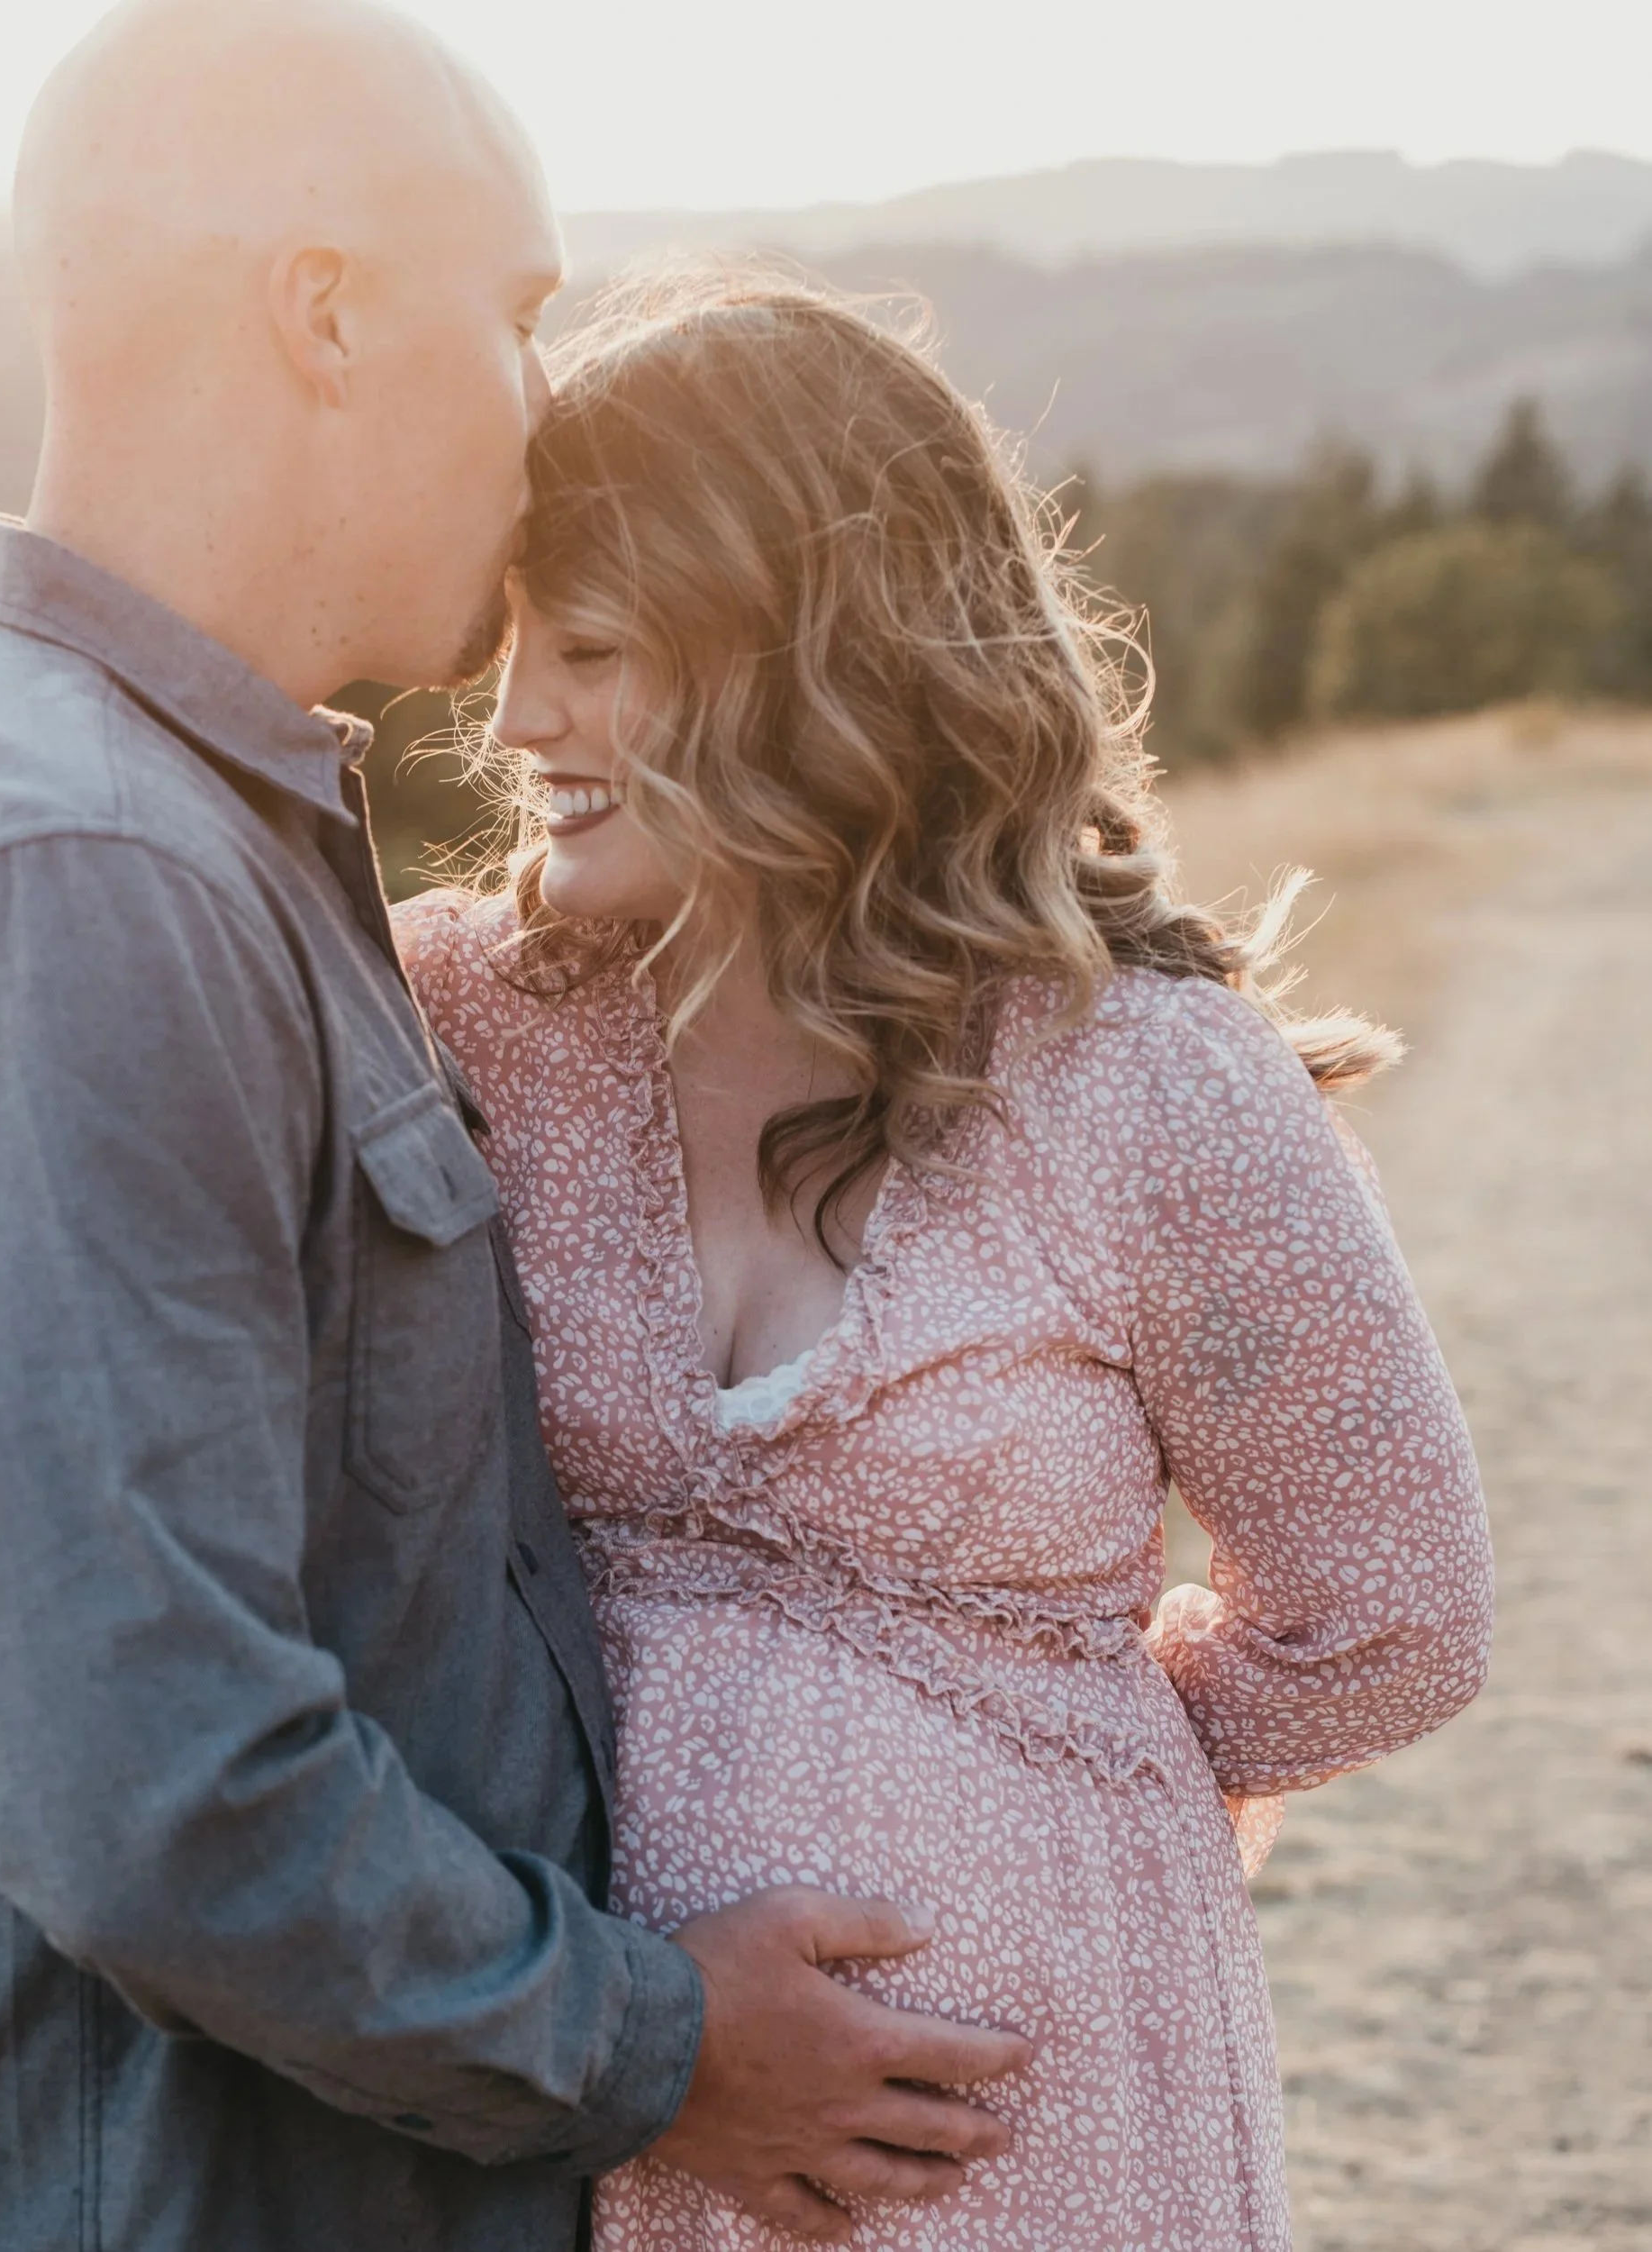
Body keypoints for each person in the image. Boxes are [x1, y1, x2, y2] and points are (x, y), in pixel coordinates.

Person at [0, 10, 1028, 2251]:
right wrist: (658, 2043)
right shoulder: (53, 871)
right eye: (513, 317)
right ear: (323, 312)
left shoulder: (177, 827)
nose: (541, 404)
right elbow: (158, 1793)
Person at [393, 268, 1497, 2250]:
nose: (512, 720)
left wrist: (1026, 1781)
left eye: (587, 646)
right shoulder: (472, 1012)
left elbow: (1391, 1607)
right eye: (503, 642)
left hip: (1017, 2137)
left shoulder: (1144, 1083)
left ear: (806, 655)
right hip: (590, 2112)